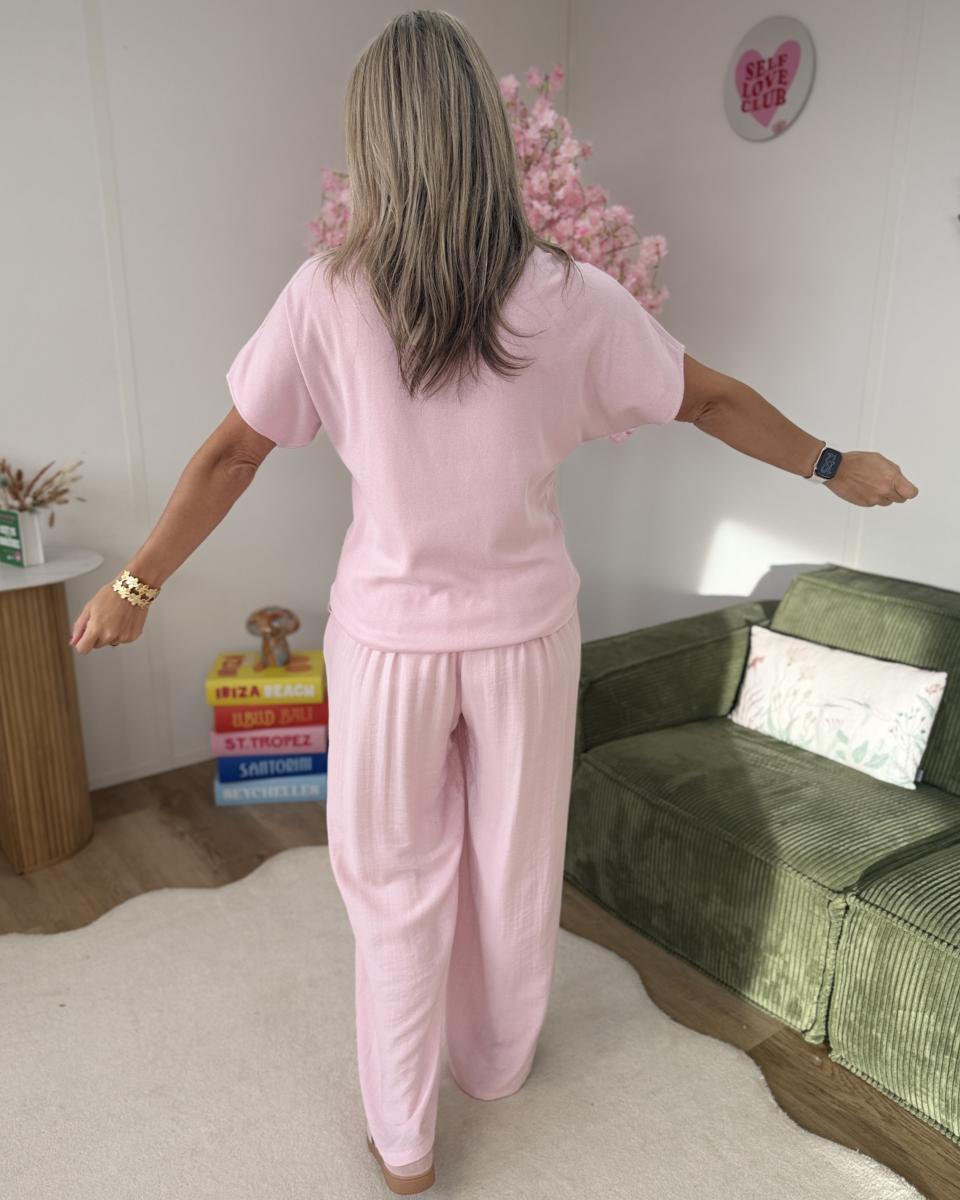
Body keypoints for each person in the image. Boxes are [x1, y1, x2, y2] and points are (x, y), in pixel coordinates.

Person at [69, 9, 919, 1196]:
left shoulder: (326, 295)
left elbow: (231, 454)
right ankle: (494, 1066)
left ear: (375, 142)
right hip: (525, 643)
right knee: (514, 872)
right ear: (483, 132)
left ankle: (405, 1145)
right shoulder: (573, 296)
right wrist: (832, 464)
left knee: (393, 887)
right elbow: (712, 400)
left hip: (392, 648)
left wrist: (136, 582)